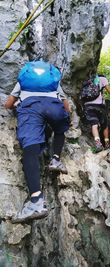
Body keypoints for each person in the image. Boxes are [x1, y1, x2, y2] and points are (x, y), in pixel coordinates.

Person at [4, 61, 71, 223]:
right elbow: (66, 104)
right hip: (54, 107)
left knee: (30, 149)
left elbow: (8, 104)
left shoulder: (25, 79)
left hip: (31, 107)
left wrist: (18, 105)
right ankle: (55, 159)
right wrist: (65, 115)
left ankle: (36, 201)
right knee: (60, 128)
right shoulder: (52, 80)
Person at [82, 73, 110, 153]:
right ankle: (106, 143)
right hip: (99, 106)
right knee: (105, 125)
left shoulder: (87, 80)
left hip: (88, 105)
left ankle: (98, 143)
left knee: (94, 124)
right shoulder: (102, 79)